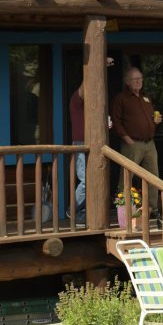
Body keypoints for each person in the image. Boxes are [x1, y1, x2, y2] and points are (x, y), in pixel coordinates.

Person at [110, 67, 163, 213]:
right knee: (127, 176)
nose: (138, 81)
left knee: (153, 177)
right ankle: (124, 209)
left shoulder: (146, 97)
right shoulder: (121, 99)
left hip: (149, 143)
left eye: (140, 78)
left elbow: (152, 117)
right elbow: (115, 121)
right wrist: (127, 139)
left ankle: (151, 209)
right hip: (132, 144)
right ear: (127, 81)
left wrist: (156, 121)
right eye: (135, 79)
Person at [67, 84, 87, 223]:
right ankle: (72, 210)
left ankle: (82, 212)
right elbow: (83, 88)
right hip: (80, 143)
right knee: (85, 180)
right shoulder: (76, 100)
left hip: (93, 144)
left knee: (93, 179)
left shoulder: (91, 106)